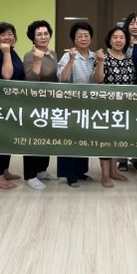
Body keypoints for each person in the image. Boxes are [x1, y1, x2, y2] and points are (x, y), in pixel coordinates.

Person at [0, 22, 24, 189]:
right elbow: (7, 76)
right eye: (3, 34)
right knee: (0, 139)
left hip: (12, 104)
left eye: (10, 34)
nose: (7, 37)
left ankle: (4, 170)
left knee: (8, 138)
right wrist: (6, 53)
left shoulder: (12, 52)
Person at [94, 26, 134, 188]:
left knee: (117, 138)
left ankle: (113, 171)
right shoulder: (103, 56)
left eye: (122, 37)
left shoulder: (128, 58)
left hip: (124, 106)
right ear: (109, 40)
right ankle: (105, 175)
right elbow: (98, 79)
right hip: (106, 106)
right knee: (105, 140)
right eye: (115, 37)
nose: (119, 40)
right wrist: (101, 62)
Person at [57, 21, 96, 188]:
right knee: (69, 139)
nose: (83, 38)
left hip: (89, 105)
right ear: (74, 39)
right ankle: (70, 175)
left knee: (84, 138)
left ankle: (81, 171)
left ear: (91, 38)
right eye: (79, 36)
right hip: (70, 104)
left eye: (86, 35)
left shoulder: (95, 56)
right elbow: (62, 79)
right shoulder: (68, 56)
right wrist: (71, 60)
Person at [22, 20, 59, 190]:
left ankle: (42, 170)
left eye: (46, 33)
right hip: (34, 104)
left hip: (50, 103)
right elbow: (31, 79)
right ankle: (30, 176)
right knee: (33, 139)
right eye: (39, 34)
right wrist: (37, 60)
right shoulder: (30, 55)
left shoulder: (53, 54)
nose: (43, 37)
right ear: (33, 38)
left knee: (47, 138)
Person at [118, 12, 137, 172]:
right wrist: (128, 46)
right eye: (132, 23)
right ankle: (122, 159)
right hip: (124, 89)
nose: (135, 26)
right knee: (123, 125)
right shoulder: (121, 42)